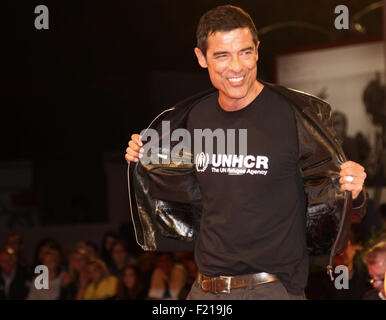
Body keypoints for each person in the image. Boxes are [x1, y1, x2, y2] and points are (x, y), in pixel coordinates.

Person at [125, 5, 367, 300]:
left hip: (273, 290)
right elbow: (174, 183)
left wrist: (354, 191)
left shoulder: (297, 117)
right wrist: (143, 157)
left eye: (245, 52)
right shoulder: (193, 117)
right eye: (222, 55)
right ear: (202, 58)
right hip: (205, 289)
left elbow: (332, 194)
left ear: (257, 50)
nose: (237, 66)